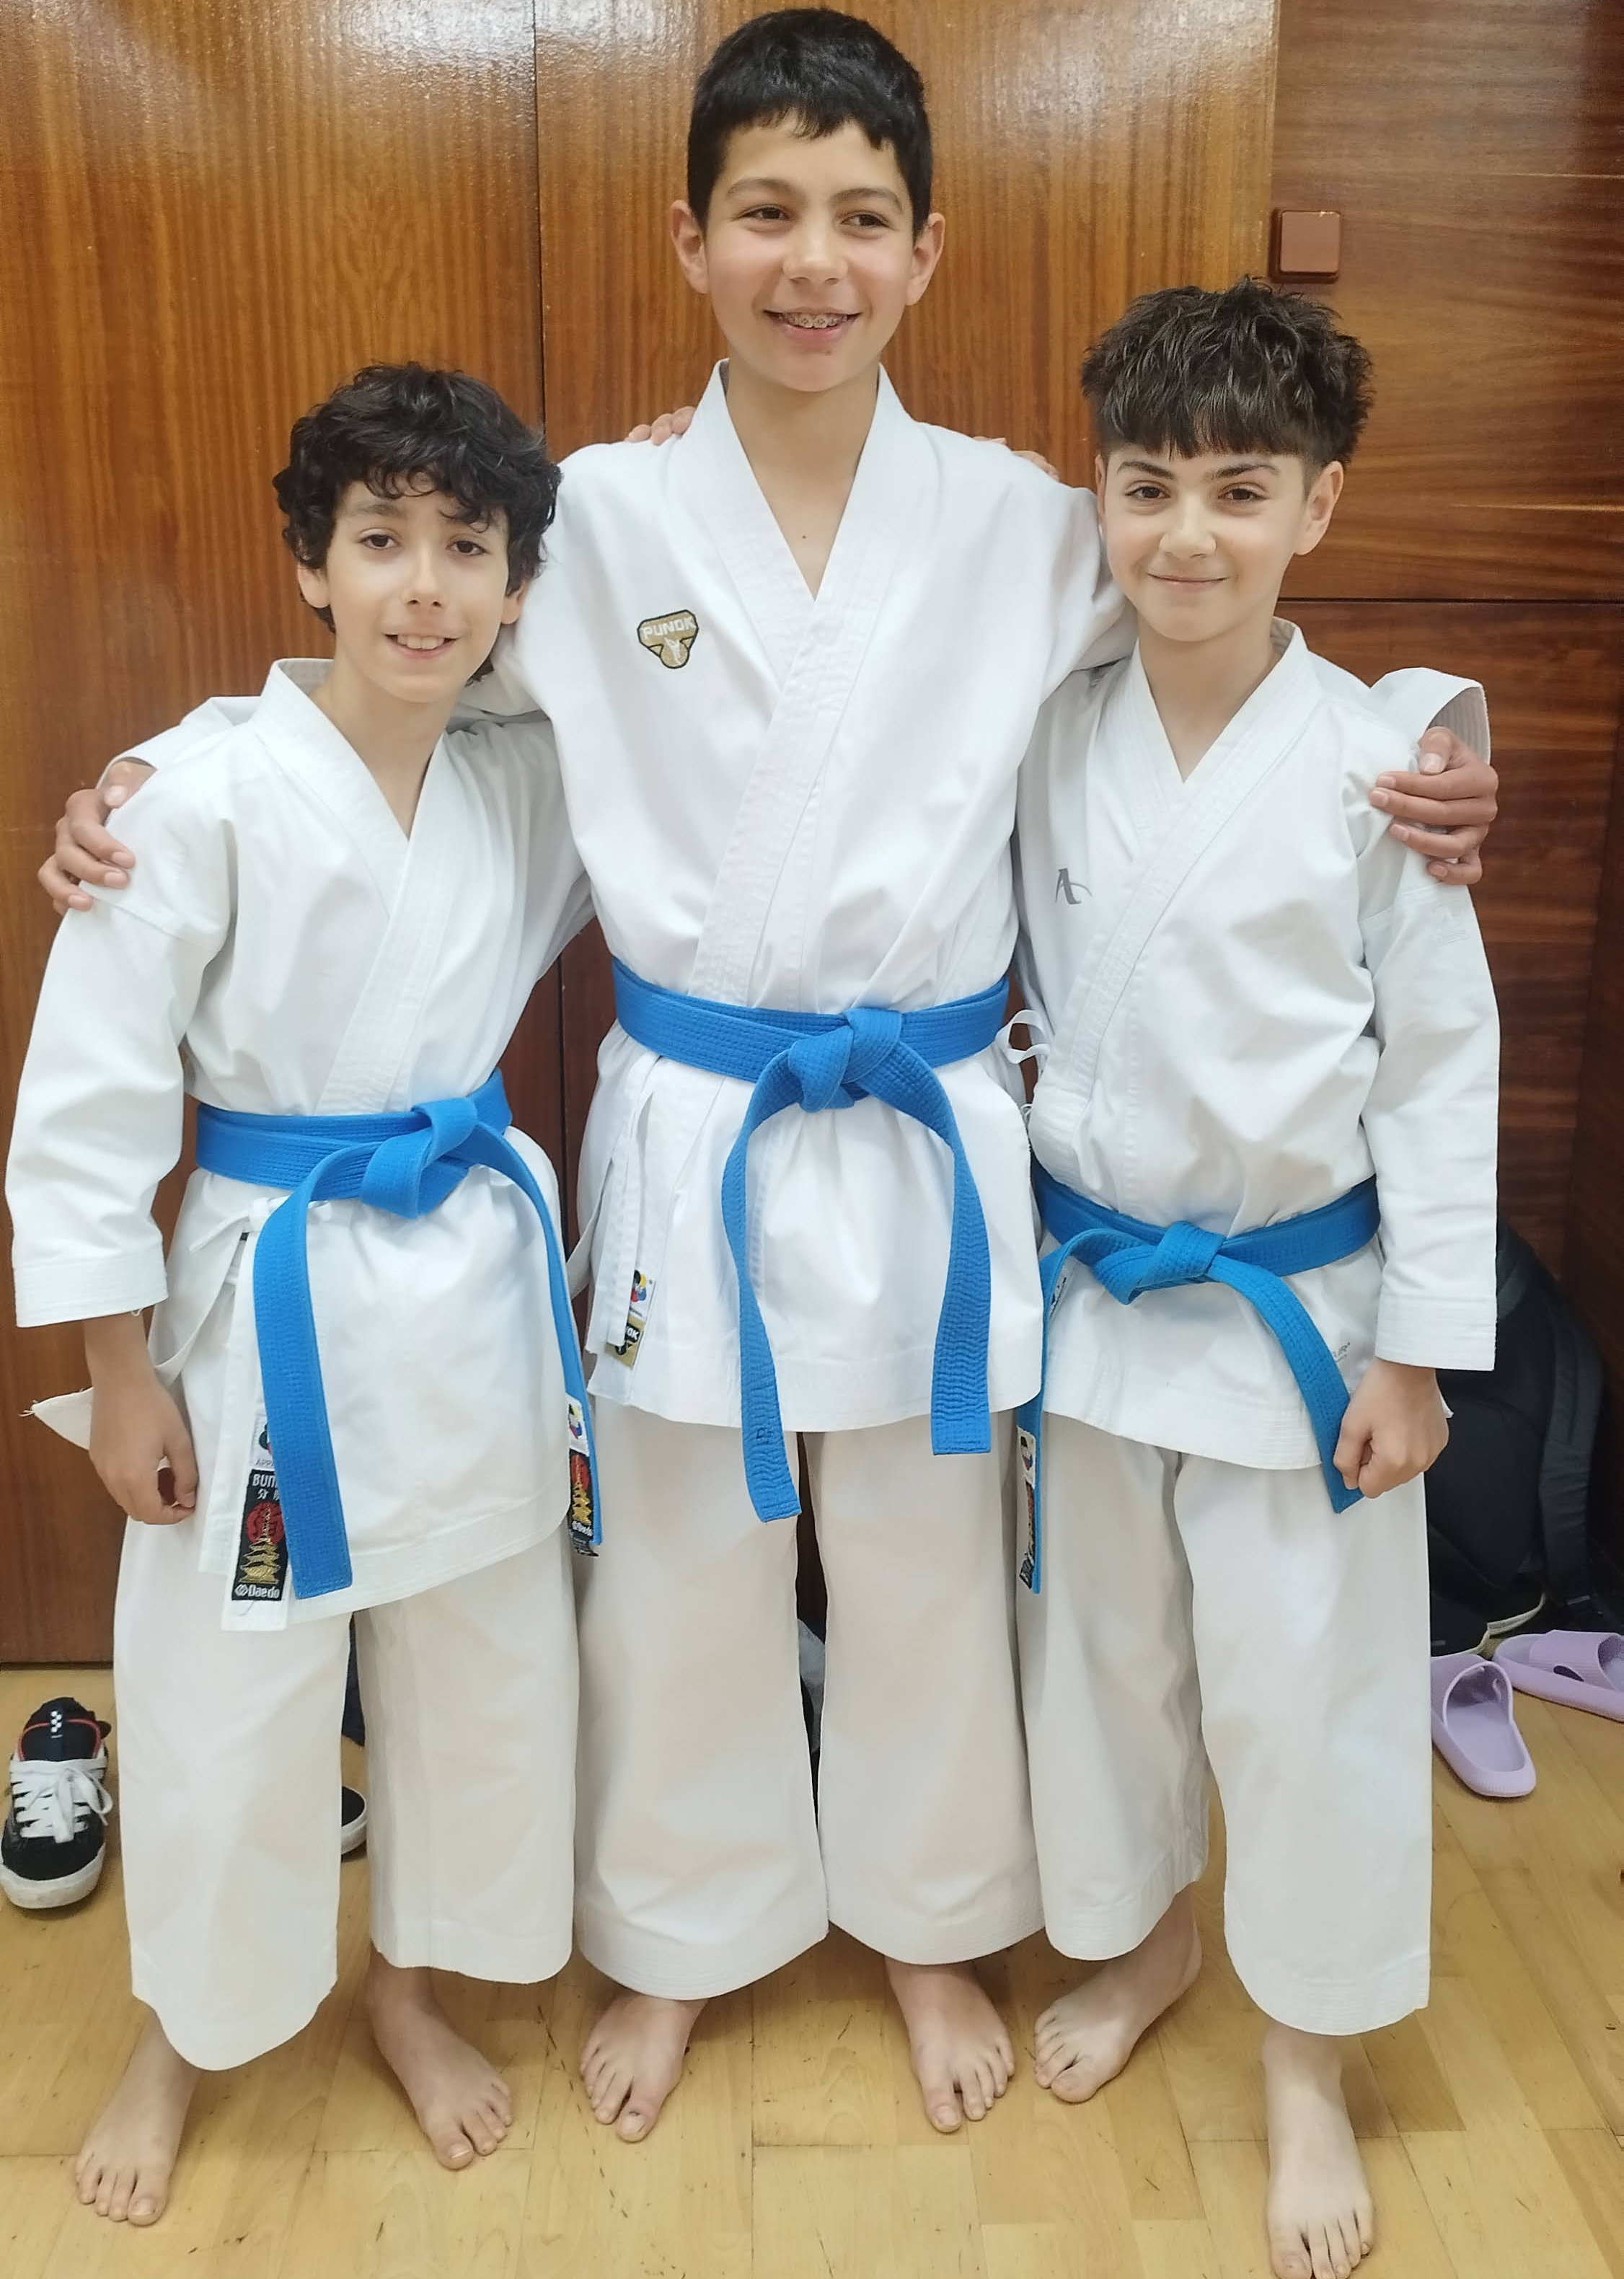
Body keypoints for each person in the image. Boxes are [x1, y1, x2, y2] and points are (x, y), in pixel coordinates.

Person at [36, 10, 1498, 2144]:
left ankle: (925, 1922)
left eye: (860, 218)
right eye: (766, 214)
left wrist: (1438, 743)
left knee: (926, 1559)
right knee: (681, 1567)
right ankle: (680, 1939)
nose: (813, 261)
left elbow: (1238, 649)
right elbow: (395, 691)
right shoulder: (591, 521)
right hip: (695, 1125)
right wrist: (147, 791)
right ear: (691, 239)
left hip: (924, 1136)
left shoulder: (1026, 523)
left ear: (923, 253)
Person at [8, 364, 593, 2225]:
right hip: (265, 1299)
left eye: (469, 548)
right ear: (310, 566)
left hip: (471, 1282)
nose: (424, 585)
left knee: (484, 1665)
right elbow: (92, 1106)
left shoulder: (532, 774)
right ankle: (183, 2033)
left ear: (516, 585)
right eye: (380, 539)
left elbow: (666, 666)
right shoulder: (189, 796)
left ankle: (412, 1990)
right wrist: (117, 1372)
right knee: (225, 1686)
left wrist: (648, 465)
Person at [1011, 281, 1499, 2279]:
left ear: (1319, 504)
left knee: (1307, 1703)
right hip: (1096, 1300)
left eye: (1239, 489)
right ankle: (1148, 1944)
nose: (1187, 533)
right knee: (1103, 1666)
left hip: (1303, 1325)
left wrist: (1421, 1352)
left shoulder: (1383, 763)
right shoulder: (1051, 723)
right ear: (1095, 498)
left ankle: (1307, 2058)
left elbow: (1440, 1070)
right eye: (1145, 487)